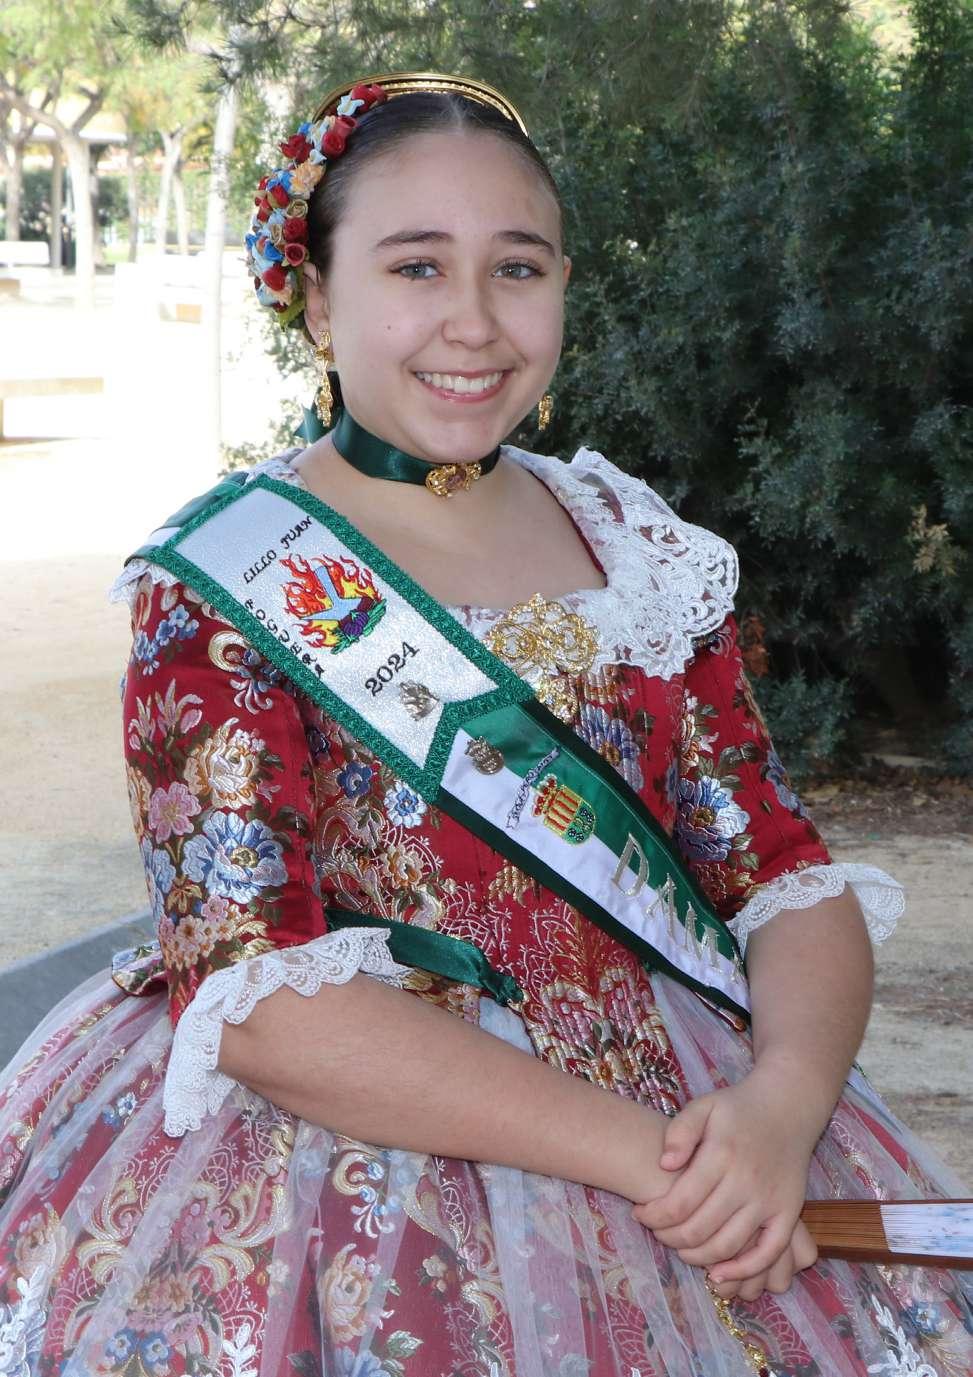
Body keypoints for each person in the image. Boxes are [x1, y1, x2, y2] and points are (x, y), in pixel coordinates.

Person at [0, 71, 969, 1377]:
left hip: (712, 1123)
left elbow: (782, 873)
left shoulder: (634, 546)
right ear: (315, 296)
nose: (472, 319)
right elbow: (256, 1000)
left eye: (517, 267)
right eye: (415, 266)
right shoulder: (227, 578)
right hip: (358, 1164)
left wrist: (782, 1109)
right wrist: (664, 1166)